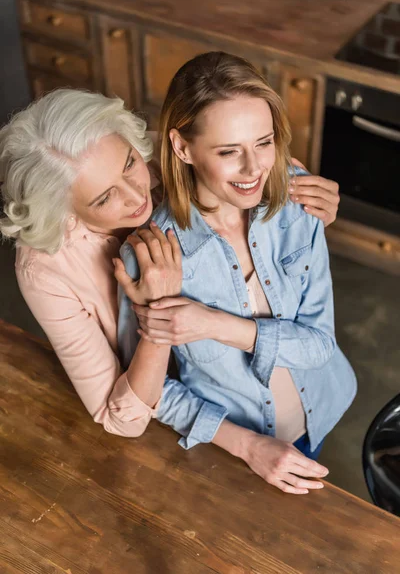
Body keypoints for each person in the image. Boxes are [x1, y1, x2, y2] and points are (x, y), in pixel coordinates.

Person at [0, 87, 339, 440]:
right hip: (175, 422)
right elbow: (120, 417)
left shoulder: (175, 153)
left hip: (291, 396)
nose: (136, 196)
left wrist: (310, 211)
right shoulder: (45, 270)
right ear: (63, 213)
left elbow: (259, 165)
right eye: (104, 198)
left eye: (130, 163)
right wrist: (158, 314)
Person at [118, 52, 357, 495]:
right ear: (182, 147)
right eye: (229, 151)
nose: (255, 170)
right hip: (224, 449)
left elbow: (320, 346)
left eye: (263, 143)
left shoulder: (298, 204)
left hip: (318, 413)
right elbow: (152, 392)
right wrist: (248, 447)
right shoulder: (153, 254)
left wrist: (215, 325)